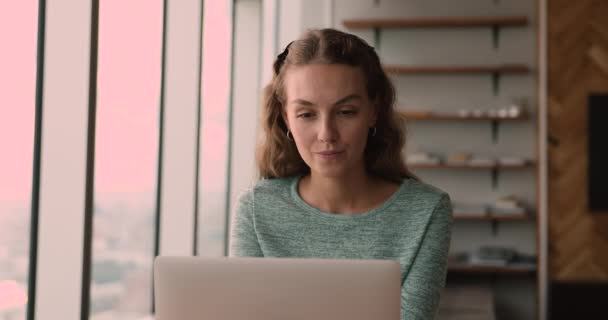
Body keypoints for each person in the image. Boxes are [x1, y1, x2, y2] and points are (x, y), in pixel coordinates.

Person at [229, 28, 453, 320]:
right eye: (307, 114)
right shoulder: (256, 210)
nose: (327, 134)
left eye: (346, 112)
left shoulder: (426, 212)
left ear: (374, 111)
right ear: (286, 117)